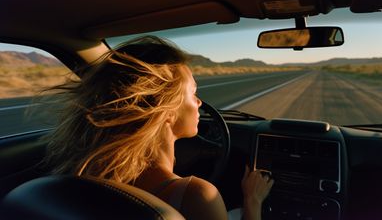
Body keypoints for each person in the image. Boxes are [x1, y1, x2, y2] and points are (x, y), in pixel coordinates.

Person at [43, 35, 274, 220]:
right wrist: (252, 201)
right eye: (193, 93)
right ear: (167, 110)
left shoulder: (76, 181)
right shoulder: (196, 196)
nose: (200, 103)